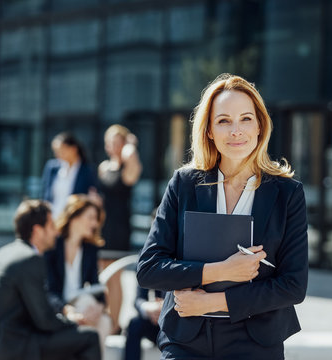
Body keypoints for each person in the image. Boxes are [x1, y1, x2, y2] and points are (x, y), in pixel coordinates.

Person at [137, 74, 308, 359]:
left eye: (246, 119)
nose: (236, 131)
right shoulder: (184, 184)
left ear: (260, 126)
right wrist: (221, 271)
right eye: (224, 120)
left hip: (255, 341)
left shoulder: (287, 194)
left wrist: (214, 302)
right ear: (209, 131)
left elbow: (292, 286)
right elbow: (149, 269)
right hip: (186, 341)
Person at [0, 200, 101, 360]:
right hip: (0, 347)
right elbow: (45, 321)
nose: (56, 232)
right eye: (51, 226)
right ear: (37, 230)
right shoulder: (30, 259)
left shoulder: (4, 253)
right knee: (89, 337)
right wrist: (73, 322)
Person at [44, 194, 112, 354]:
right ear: (74, 217)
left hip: (80, 304)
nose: (95, 224)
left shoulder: (89, 250)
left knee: (103, 320)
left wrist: (100, 306)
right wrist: (66, 310)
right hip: (59, 306)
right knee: (92, 319)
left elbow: (96, 287)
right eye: (91, 218)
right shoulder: (53, 247)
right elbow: (48, 289)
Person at [97, 124, 142, 333]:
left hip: (118, 227)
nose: (112, 146)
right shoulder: (104, 167)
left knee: (115, 276)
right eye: (109, 141)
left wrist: (131, 145)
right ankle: (106, 319)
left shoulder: (128, 168)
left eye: (117, 141)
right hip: (100, 228)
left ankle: (115, 325)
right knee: (102, 276)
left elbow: (133, 161)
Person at [42, 132, 98, 219]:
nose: (57, 155)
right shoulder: (52, 168)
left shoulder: (88, 171)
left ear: (73, 149)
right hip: (52, 220)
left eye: (61, 150)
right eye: (56, 151)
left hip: (74, 221)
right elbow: (45, 195)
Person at [124, 286, 163, 360]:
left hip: (179, 322)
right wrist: (150, 309)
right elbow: (138, 300)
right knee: (135, 324)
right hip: (157, 326)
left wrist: (166, 308)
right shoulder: (153, 274)